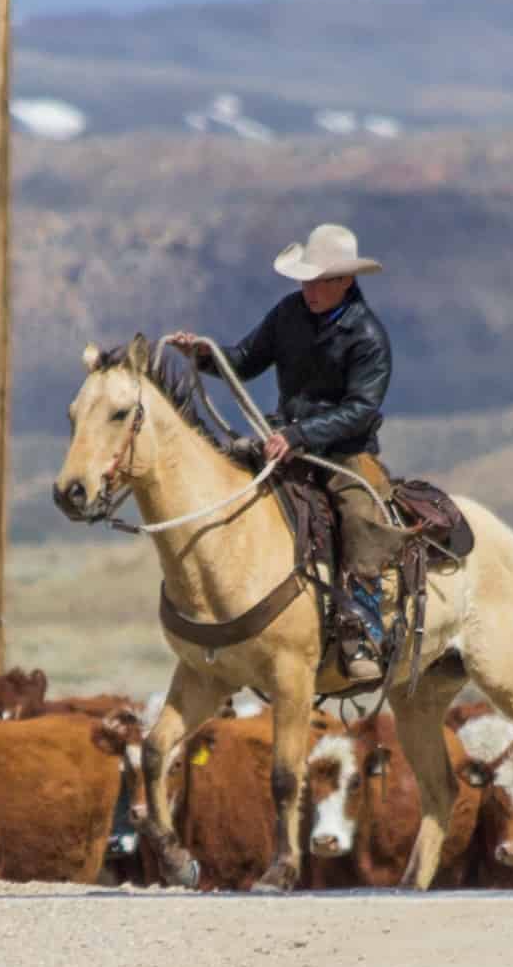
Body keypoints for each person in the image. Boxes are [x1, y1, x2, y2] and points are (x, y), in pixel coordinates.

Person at [166, 223, 395, 682]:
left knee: (359, 516)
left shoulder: (367, 336)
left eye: (317, 280)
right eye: (304, 279)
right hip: (282, 438)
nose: (307, 289)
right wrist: (204, 355)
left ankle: (363, 628)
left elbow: (361, 410)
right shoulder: (288, 313)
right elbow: (247, 359)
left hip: (344, 452)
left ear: (345, 282)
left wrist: (301, 435)